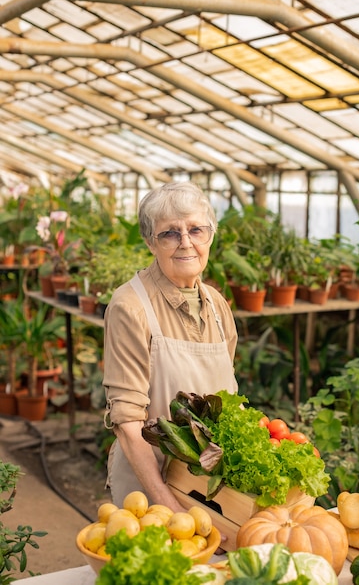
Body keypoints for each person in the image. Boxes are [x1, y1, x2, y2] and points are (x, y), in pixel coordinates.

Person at [103, 181, 238, 512]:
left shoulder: (218, 306)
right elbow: (128, 423)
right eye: (170, 234)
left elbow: (227, 401)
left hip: (206, 484)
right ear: (151, 242)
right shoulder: (130, 307)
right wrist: (171, 509)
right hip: (151, 487)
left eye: (196, 230)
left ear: (210, 235)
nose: (186, 243)